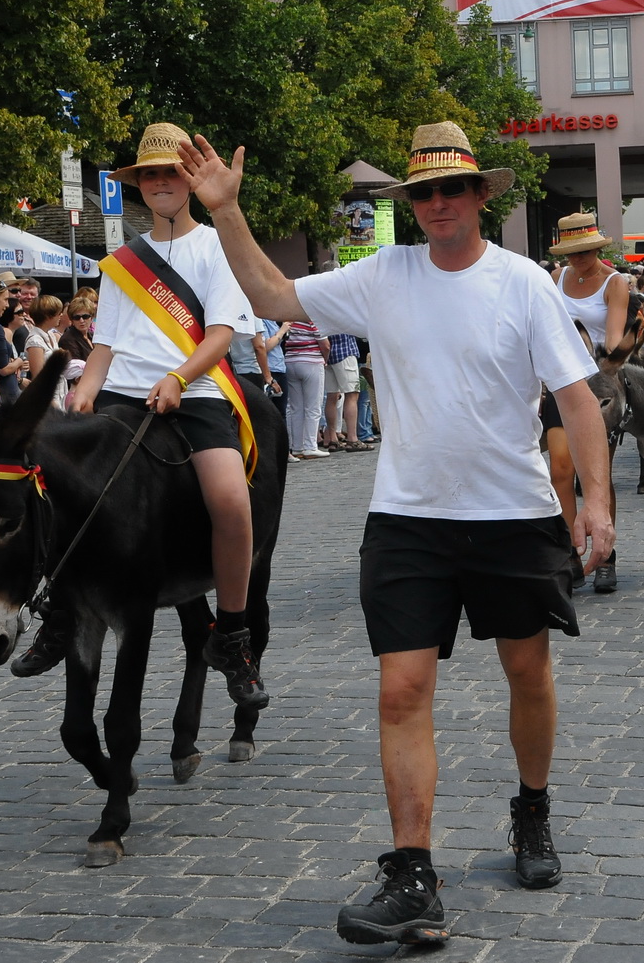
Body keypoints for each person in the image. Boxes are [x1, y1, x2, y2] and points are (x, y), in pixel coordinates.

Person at [181, 120, 610, 946]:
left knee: (528, 671)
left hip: (512, 515)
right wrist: (226, 211)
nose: (438, 203)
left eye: (453, 188)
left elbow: (578, 397)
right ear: (409, 204)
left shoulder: (524, 283)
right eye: (423, 192)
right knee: (400, 690)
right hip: (408, 518)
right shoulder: (384, 274)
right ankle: (413, 874)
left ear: (480, 194)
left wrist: (594, 502)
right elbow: (272, 296)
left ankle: (531, 808)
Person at [17, 122, 268, 716]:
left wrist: (180, 377)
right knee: (54, 488)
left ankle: (231, 635)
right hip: (124, 399)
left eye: (171, 172)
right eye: (150, 173)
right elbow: (104, 346)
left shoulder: (218, 247)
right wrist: (85, 395)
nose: (161, 182)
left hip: (198, 390)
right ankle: (59, 613)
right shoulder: (120, 261)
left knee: (231, 501)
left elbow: (224, 333)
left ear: (189, 179)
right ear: (140, 185)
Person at [546, 212, 628, 594]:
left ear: (598, 247)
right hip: (557, 381)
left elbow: (612, 337)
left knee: (598, 473)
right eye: (572, 251)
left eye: (586, 250)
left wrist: (618, 349)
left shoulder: (615, 283)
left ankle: (605, 554)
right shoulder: (555, 278)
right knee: (561, 468)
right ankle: (569, 552)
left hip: (596, 382)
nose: (579, 258)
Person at [282, 318, 329, 459]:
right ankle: (310, 446)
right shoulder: (312, 318)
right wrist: (325, 360)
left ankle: (297, 447)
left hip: (290, 361)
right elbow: (325, 345)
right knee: (313, 407)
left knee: (296, 408)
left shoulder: (289, 317)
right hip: (311, 361)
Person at [323, 332, 370, 452]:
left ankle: (333, 438)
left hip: (329, 355)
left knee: (332, 396)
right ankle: (352, 439)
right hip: (345, 351)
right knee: (352, 395)